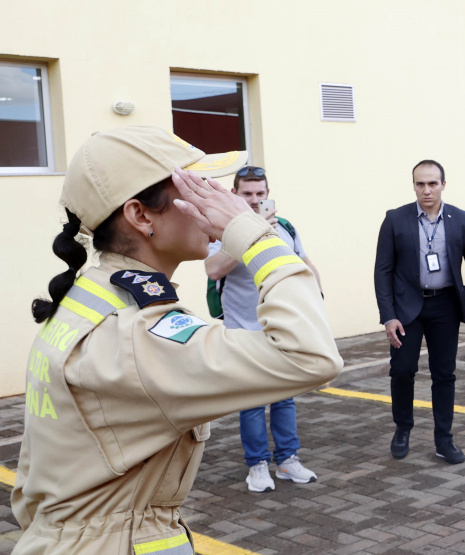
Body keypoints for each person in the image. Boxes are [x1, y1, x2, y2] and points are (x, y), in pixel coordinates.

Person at [12, 127, 343, 554]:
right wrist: (257, 236)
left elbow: (29, 487)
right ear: (141, 215)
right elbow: (309, 355)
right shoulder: (136, 331)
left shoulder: (88, 299)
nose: (222, 200)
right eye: (197, 187)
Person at [204, 165, 324, 493]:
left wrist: (317, 296)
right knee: (253, 400)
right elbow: (213, 269)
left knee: (285, 397)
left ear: (268, 194)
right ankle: (257, 465)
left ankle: (287, 461)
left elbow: (303, 263)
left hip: (281, 327)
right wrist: (245, 236)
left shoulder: (283, 227)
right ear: (235, 195)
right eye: (248, 194)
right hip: (242, 329)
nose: (255, 200)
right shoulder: (224, 230)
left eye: (260, 194)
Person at [374, 160, 465, 465]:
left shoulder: (462, 220)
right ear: (413, 185)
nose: (426, 190)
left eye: (432, 184)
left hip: (445, 306)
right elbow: (382, 271)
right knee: (402, 370)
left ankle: (444, 439)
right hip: (406, 308)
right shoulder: (395, 219)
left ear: (443, 184)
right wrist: (388, 316)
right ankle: (402, 429)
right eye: (420, 184)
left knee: (444, 374)